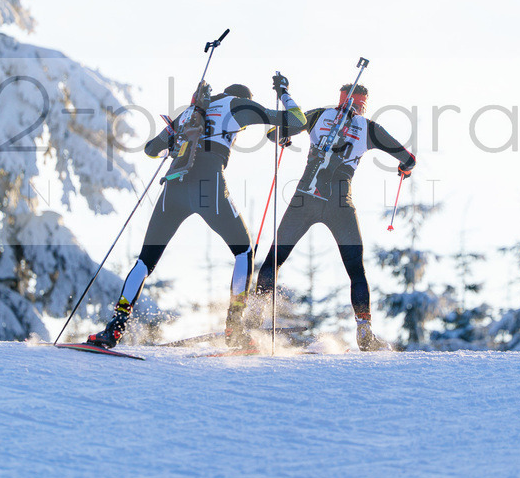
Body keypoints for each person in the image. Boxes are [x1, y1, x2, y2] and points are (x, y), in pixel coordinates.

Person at [86, 76, 305, 348]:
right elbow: (297, 121)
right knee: (243, 251)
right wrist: (284, 92)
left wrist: (176, 143)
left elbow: (152, 150)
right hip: (207, 185)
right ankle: (234, 328)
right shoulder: (239, 106)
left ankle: (114, 329)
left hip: (173, 188)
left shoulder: (194, 111)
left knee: (145, 261)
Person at [245, 83, 415, 351]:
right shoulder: (369, 127)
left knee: (275, 259)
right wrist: (405, 167)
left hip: (305, 197)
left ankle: (253, 320)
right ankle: (364, 330)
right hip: (340, 202)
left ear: (341, 99)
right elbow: (409, 157)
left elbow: (273, 134)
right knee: (355, 269)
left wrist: (284, 136)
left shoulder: (318, 115)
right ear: (363, 103)